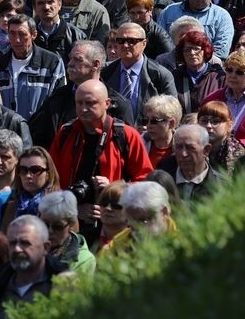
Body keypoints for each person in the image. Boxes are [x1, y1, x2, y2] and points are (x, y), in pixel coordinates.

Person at [49, 79, 153, 234]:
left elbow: (146, 182)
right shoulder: (65, 133)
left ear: (107, 103)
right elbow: (51, 181)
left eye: (90, 103)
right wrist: (73, 208)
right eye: (79, 103)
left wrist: (115, 189)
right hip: (70, 225)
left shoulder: (126, 135)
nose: (83, 109)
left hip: (116, 227)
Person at [0, 215, 67, 317]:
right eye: (12, 243)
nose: (17, 249)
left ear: (45, 248)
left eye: (25, 243)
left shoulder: (62, 285)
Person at [100, 22, 177, 127]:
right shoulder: (106, 73)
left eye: (132, 41)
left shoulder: (160, 75)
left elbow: (172, 112)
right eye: (121, 41)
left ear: (144, 44)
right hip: (114, 135)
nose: (125, 45)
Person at [157, 0, 235, 59]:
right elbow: (159, 43)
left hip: (207, 69)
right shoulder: (169, 12)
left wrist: (195, 61)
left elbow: (221, 52)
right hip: (171, 67)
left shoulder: (222, 17)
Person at [157, 124, 228, 203]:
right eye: (179, 147)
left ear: (206, 150)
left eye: (190, 148)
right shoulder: (161, 182)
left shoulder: (222, 187)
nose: (184, 154)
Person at [101, 181, 176, 255]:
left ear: (164, 212)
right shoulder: (116, 247)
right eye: (131, 220)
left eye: (143, 220)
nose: (137, 227)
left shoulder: (183, 242)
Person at [38, 190, 95, 275]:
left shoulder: (84, 259)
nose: (50, 231)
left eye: (58, 226)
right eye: (45, 224)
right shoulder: (31, 246)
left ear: (71, 225)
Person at [173, 30, 226, 114]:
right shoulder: (175, 76)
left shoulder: (219, 77)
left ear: (205, 51)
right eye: (187, 49)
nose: (192, 53)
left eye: (196, 49)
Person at [141, 95, 183, 168]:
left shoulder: (183, 149)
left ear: (171, 123)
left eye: (154, 121)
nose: (149, 125)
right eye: (147, 120)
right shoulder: (139, 143)